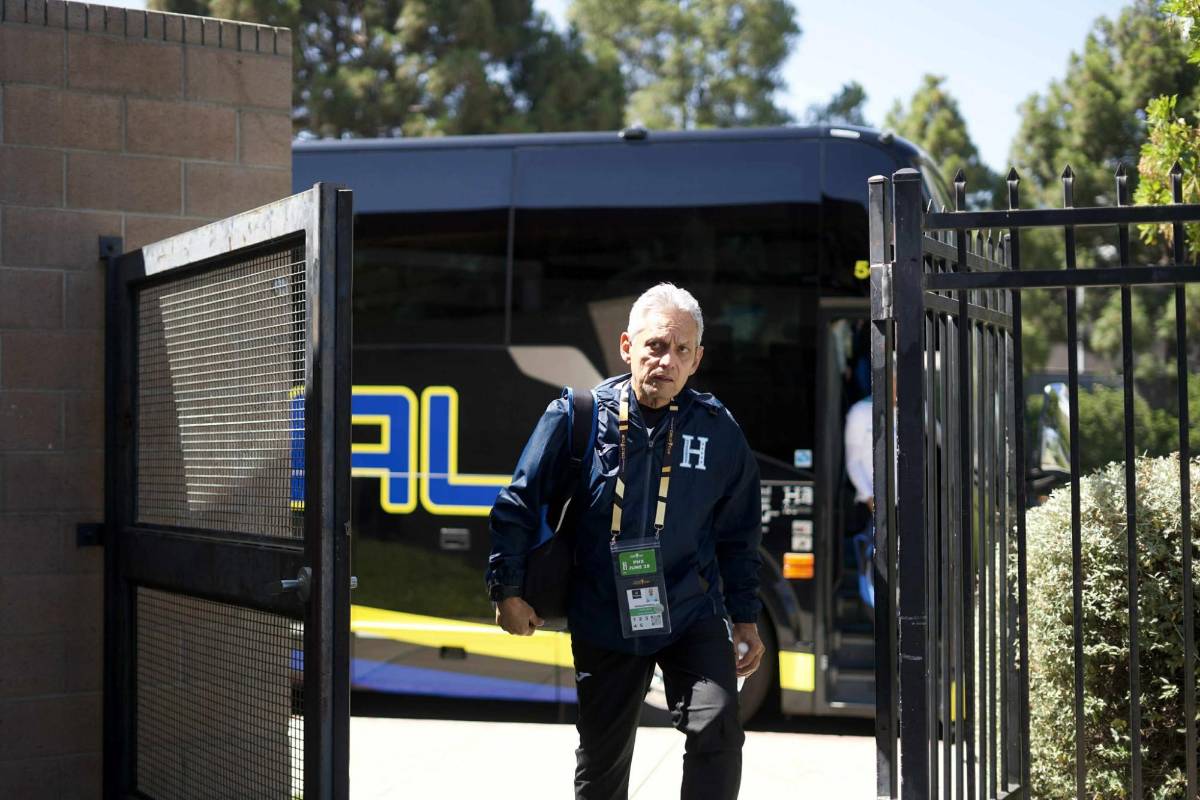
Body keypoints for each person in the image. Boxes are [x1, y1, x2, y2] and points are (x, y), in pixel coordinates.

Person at [486, 283, 765, 800]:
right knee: (603, 767)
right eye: (656, 345)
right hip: (603, 614)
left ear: (698, 359)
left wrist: (744, 616)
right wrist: (507, 589)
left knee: (720, 725)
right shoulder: (577, 415)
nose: (668, 361)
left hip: (689, 611)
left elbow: (740, 532)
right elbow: (517, 503)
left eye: (682, 350)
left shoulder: (718, 430)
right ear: (627, 347)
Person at [843, 391, 875, 611]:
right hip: (870, 504)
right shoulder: (860, 411)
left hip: (903, 505)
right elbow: (852, 462)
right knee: (872, 563)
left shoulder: (915, 406)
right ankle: (873, 609)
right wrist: (869, 497)